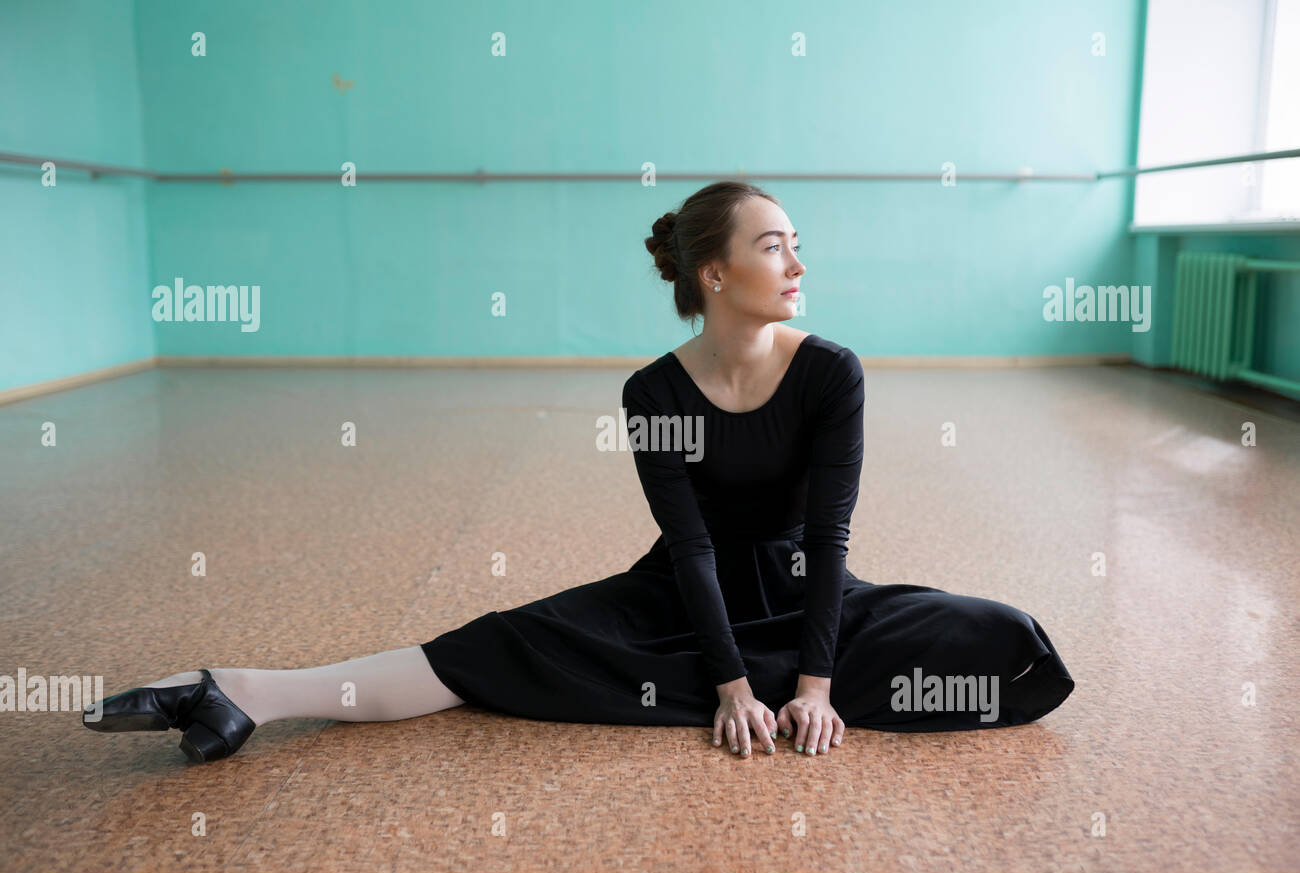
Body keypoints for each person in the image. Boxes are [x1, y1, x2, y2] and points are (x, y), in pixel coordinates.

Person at [83, 180, 1074, 764]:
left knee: (1003, 639)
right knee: (486, 652)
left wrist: (814, 686)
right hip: (681, 601)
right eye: (774, 246)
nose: (797, 262)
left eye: (797, 245)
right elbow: (687, 548)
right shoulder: (652, 390)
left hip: (812, 594)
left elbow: (829, 538)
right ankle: (240, 689)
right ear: (715, 274)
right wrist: (732, 687)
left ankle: (774, 677)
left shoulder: (829, 373)